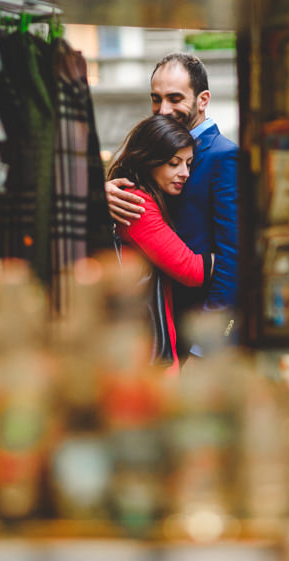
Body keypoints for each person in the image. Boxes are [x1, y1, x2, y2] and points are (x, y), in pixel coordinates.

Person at [105, 53, 237, 358]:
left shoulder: (224, 156)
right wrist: (103, 196)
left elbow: (233, 261)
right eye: (156, 98)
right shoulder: (155, 149)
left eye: (175, 98)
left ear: (203, 100)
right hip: (157, 329)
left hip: (197, 334)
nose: (163, 110)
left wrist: (205, 347)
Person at [109, 115, 214, 374]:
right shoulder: (137, 204)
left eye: (188, 164)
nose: (185, 173)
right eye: (173, 163)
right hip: (145, 354)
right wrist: (234, 257)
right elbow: (192, 270)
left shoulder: (143, 197)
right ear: (149, 161)